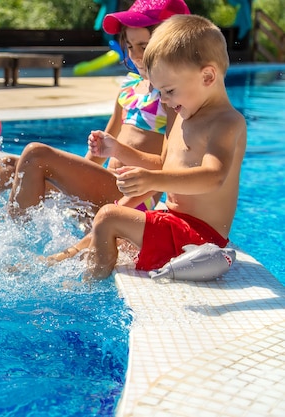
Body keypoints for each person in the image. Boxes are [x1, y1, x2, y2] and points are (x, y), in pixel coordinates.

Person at [0, 0, 190, 216]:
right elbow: (99, 151)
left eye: (144, 47)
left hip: (132, 197)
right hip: (104, 187)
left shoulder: (170, 98)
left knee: (36, 154)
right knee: (10, 165)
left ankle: (15, 243)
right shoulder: (130, 86)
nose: (136, 56)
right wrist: (72, 176)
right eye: (130, 46)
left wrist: (116, 150)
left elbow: (168, 169)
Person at [51, 14, 247, 280]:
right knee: (111, 217)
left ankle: (87, 290)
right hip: (174, 221)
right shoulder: (183, 115)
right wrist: (117, 150)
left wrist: (152, 179)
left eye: (169, 91)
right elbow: (164, 166)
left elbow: (214, 177)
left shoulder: (226, 122)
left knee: (109, 217)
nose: (164, 101)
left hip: (200, 237)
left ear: (208, 76)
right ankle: (63, 256)